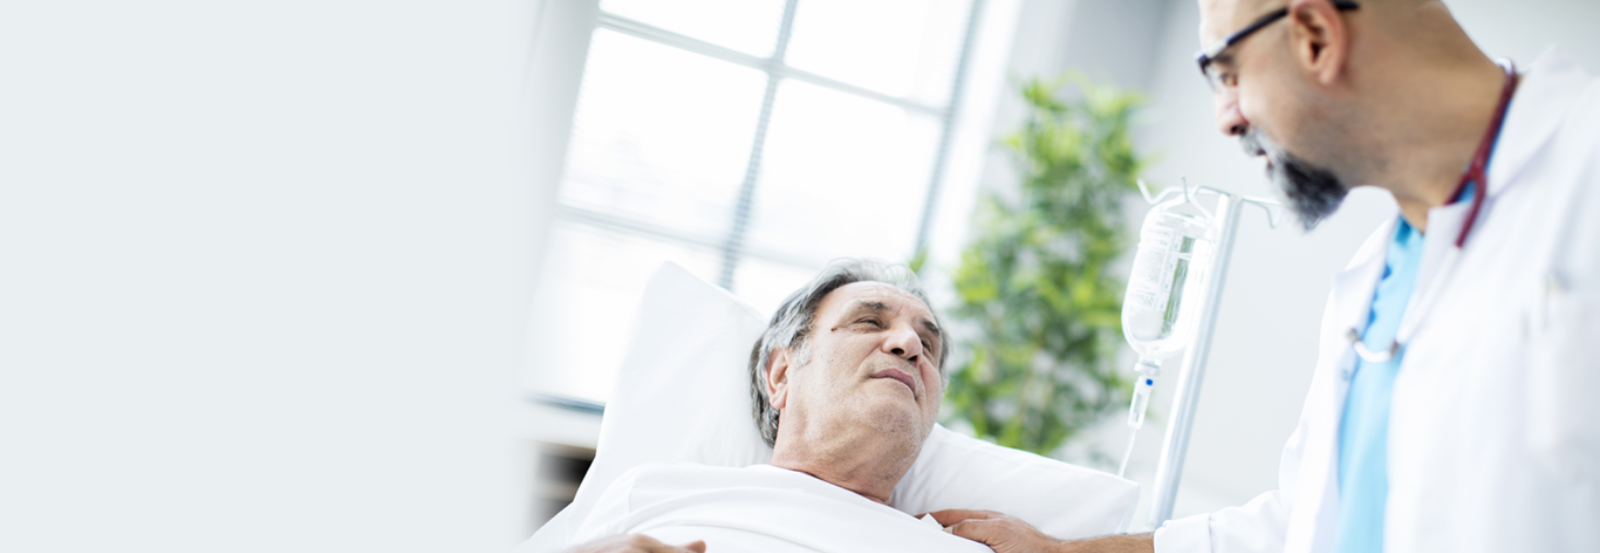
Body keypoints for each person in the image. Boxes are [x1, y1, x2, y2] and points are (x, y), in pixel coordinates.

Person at [935, 0, 1600, 552]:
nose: (1226, 118)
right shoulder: (1375, 275)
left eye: (1226, 73)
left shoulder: (1584, 176)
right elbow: (1300, 523)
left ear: (1315, 36)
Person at [559, 259, 990, 552]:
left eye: (928, 345)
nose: (910, 344)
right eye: (869, 321)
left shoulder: (963, 547)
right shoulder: (653, 493)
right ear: (782, 373)